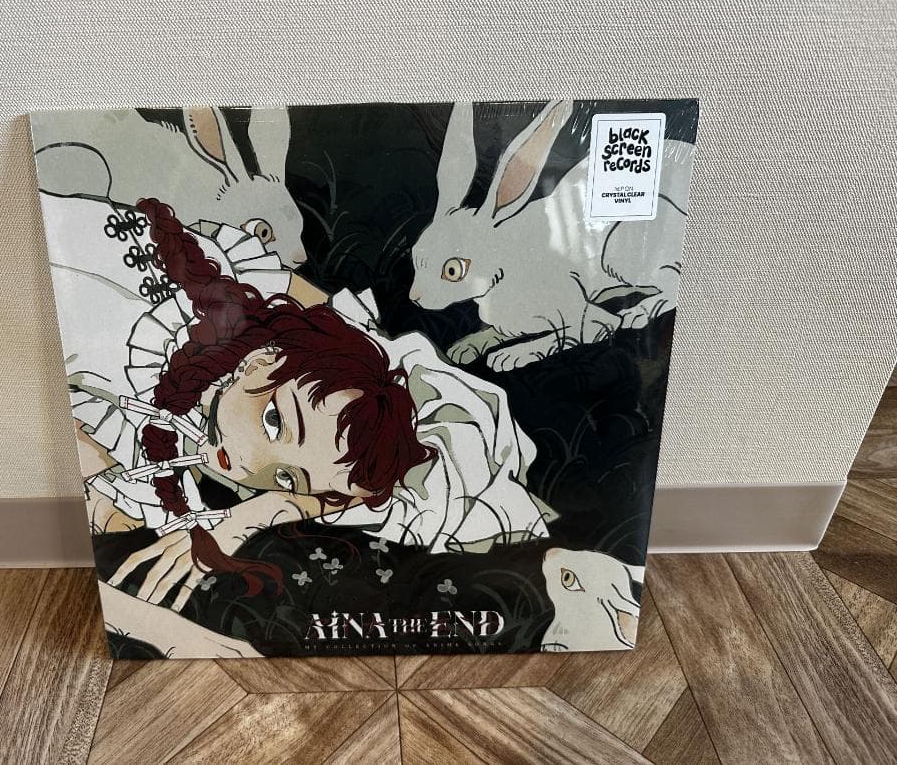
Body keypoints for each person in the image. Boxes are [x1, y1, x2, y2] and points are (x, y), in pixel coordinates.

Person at [50, 196, 554, 647]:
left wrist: (265, 508)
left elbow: (402, 480)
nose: (249, 465)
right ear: (261, 360)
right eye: (273, 421)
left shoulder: (282, 374)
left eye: (285, 476)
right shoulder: (142, 296)